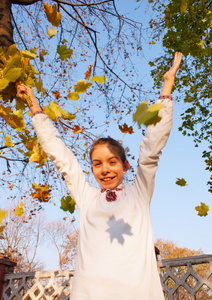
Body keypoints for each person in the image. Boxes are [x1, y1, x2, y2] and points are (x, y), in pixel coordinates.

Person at [16, 52, 182, 300]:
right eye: (97, 164)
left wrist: (167, 85)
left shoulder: (139, 191)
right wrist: (34, 106)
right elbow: (61, 157)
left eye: (112, 162)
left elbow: (151, 148)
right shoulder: (87, 197)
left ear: (126, 166)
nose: (104, 169)